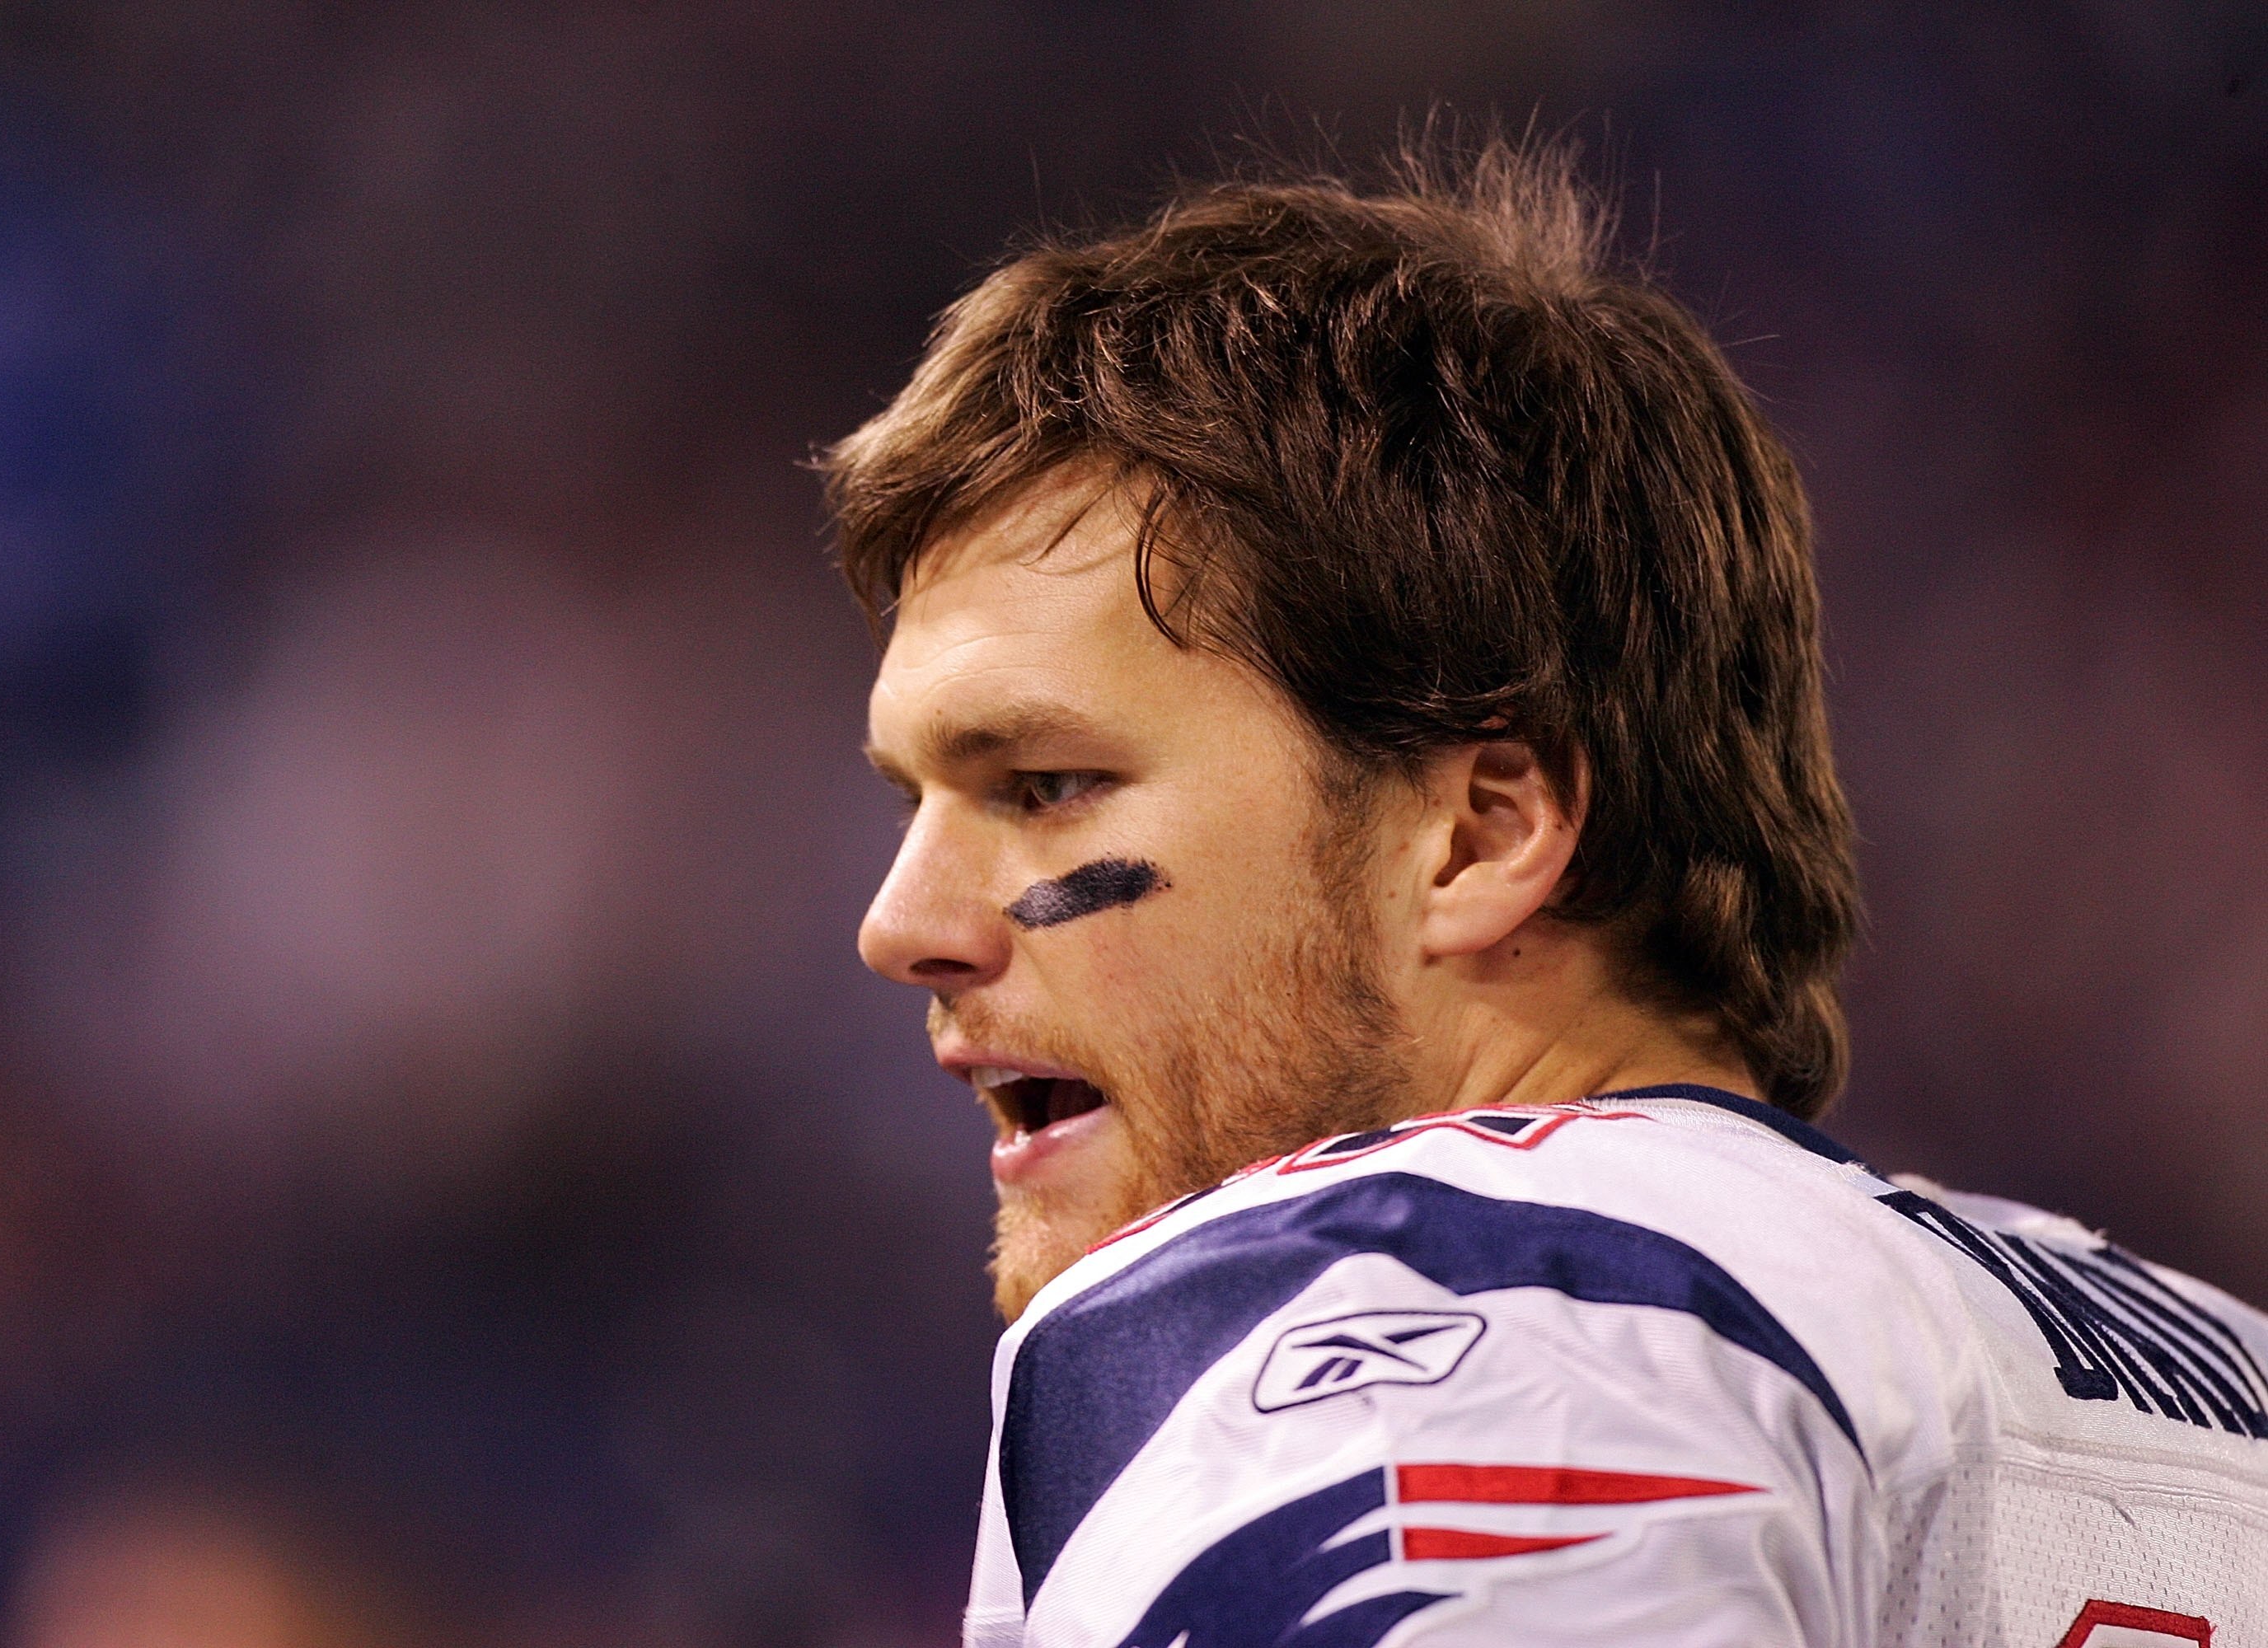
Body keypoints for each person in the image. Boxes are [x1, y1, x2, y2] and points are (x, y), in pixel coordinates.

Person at [822, 140, 2268, 1646]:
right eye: (912, 797)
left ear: (1477, 838)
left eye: (1046, 787)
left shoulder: (1419, 1312)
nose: (901, 925)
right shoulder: (2216, 1375)